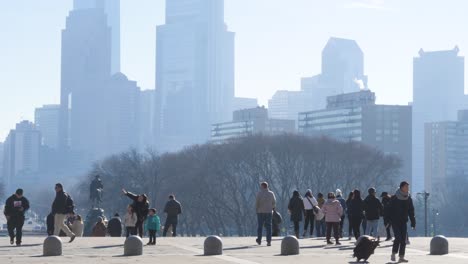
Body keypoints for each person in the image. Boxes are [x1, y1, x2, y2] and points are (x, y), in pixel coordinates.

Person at [387, 181, 415, 263]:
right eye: (406, 187)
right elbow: (389, 210)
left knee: (403, 240)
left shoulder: (408, 198)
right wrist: (387, 221)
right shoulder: (395, 198)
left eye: (408, 187)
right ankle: (393, 253)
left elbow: (411, 211)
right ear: (402, 187)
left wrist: (413, 223)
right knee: (398, 238)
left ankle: (401, 257)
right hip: (395, 221)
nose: (407, 188)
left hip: (403, 221)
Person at [255, 182, 276, 246]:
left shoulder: (259, 193)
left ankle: (259, 240)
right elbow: (274, 202)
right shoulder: (271, 193)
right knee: (269, 226)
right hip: (269, 212)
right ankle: (269, 241)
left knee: (260, 226)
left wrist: (257, 209)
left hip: (260, 212)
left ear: (263, 186)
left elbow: (257, 203)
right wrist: (272, 208)